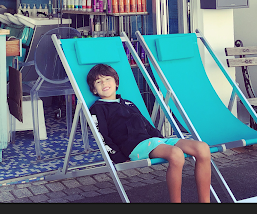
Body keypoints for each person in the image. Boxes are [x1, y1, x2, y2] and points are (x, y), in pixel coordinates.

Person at [87, 63, 211, 203]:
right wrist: (118, 156)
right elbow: (102, 137)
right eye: (98, 82)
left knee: (203, 148)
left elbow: (146, 124)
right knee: (176, 154)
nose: (104, 83)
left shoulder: (128, 103)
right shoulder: (98, 109)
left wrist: (161, 139)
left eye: (107, 79)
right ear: (94, 90)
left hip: (153, 141)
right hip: (134, 146)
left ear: (116, 83)